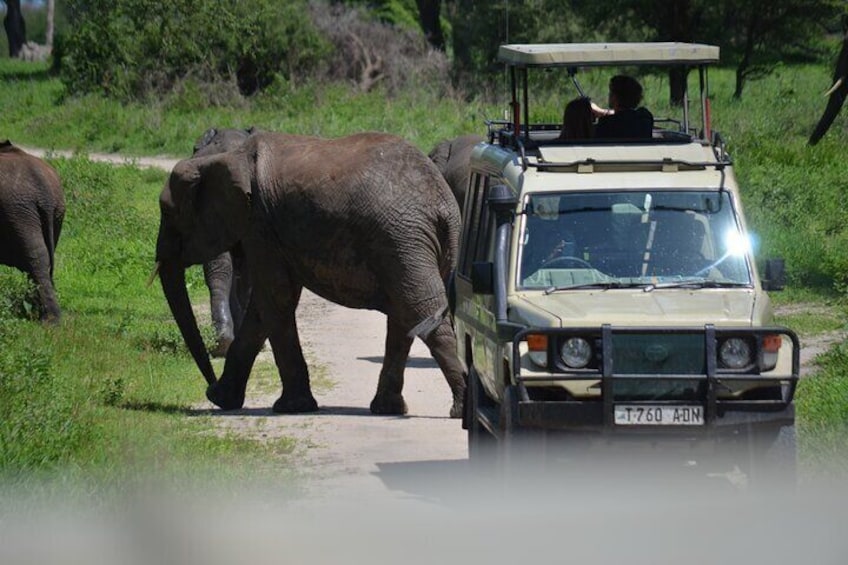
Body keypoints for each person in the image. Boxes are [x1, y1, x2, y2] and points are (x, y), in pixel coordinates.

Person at [591, 75, 654, 139]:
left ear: (615, 97)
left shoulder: (606, 124)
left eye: (611, 93)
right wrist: (602, 112)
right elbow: (626, 115)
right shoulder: (645, 118)